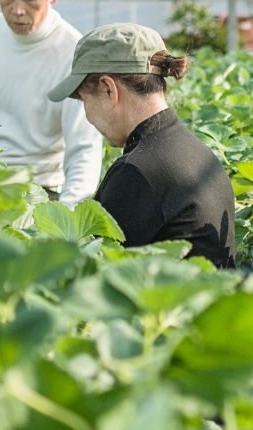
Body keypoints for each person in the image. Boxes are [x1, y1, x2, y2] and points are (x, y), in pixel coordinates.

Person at [48, 24, 236, 268]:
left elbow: (95, 272)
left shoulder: (137, 172)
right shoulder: (197, 153)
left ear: (108, 89)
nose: (87, 114)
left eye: (84, 99)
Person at [0, 0, 104, 206]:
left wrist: (66, 215)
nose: (17, 10)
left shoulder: (73, 53)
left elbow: (84, 150)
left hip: (38, 192)